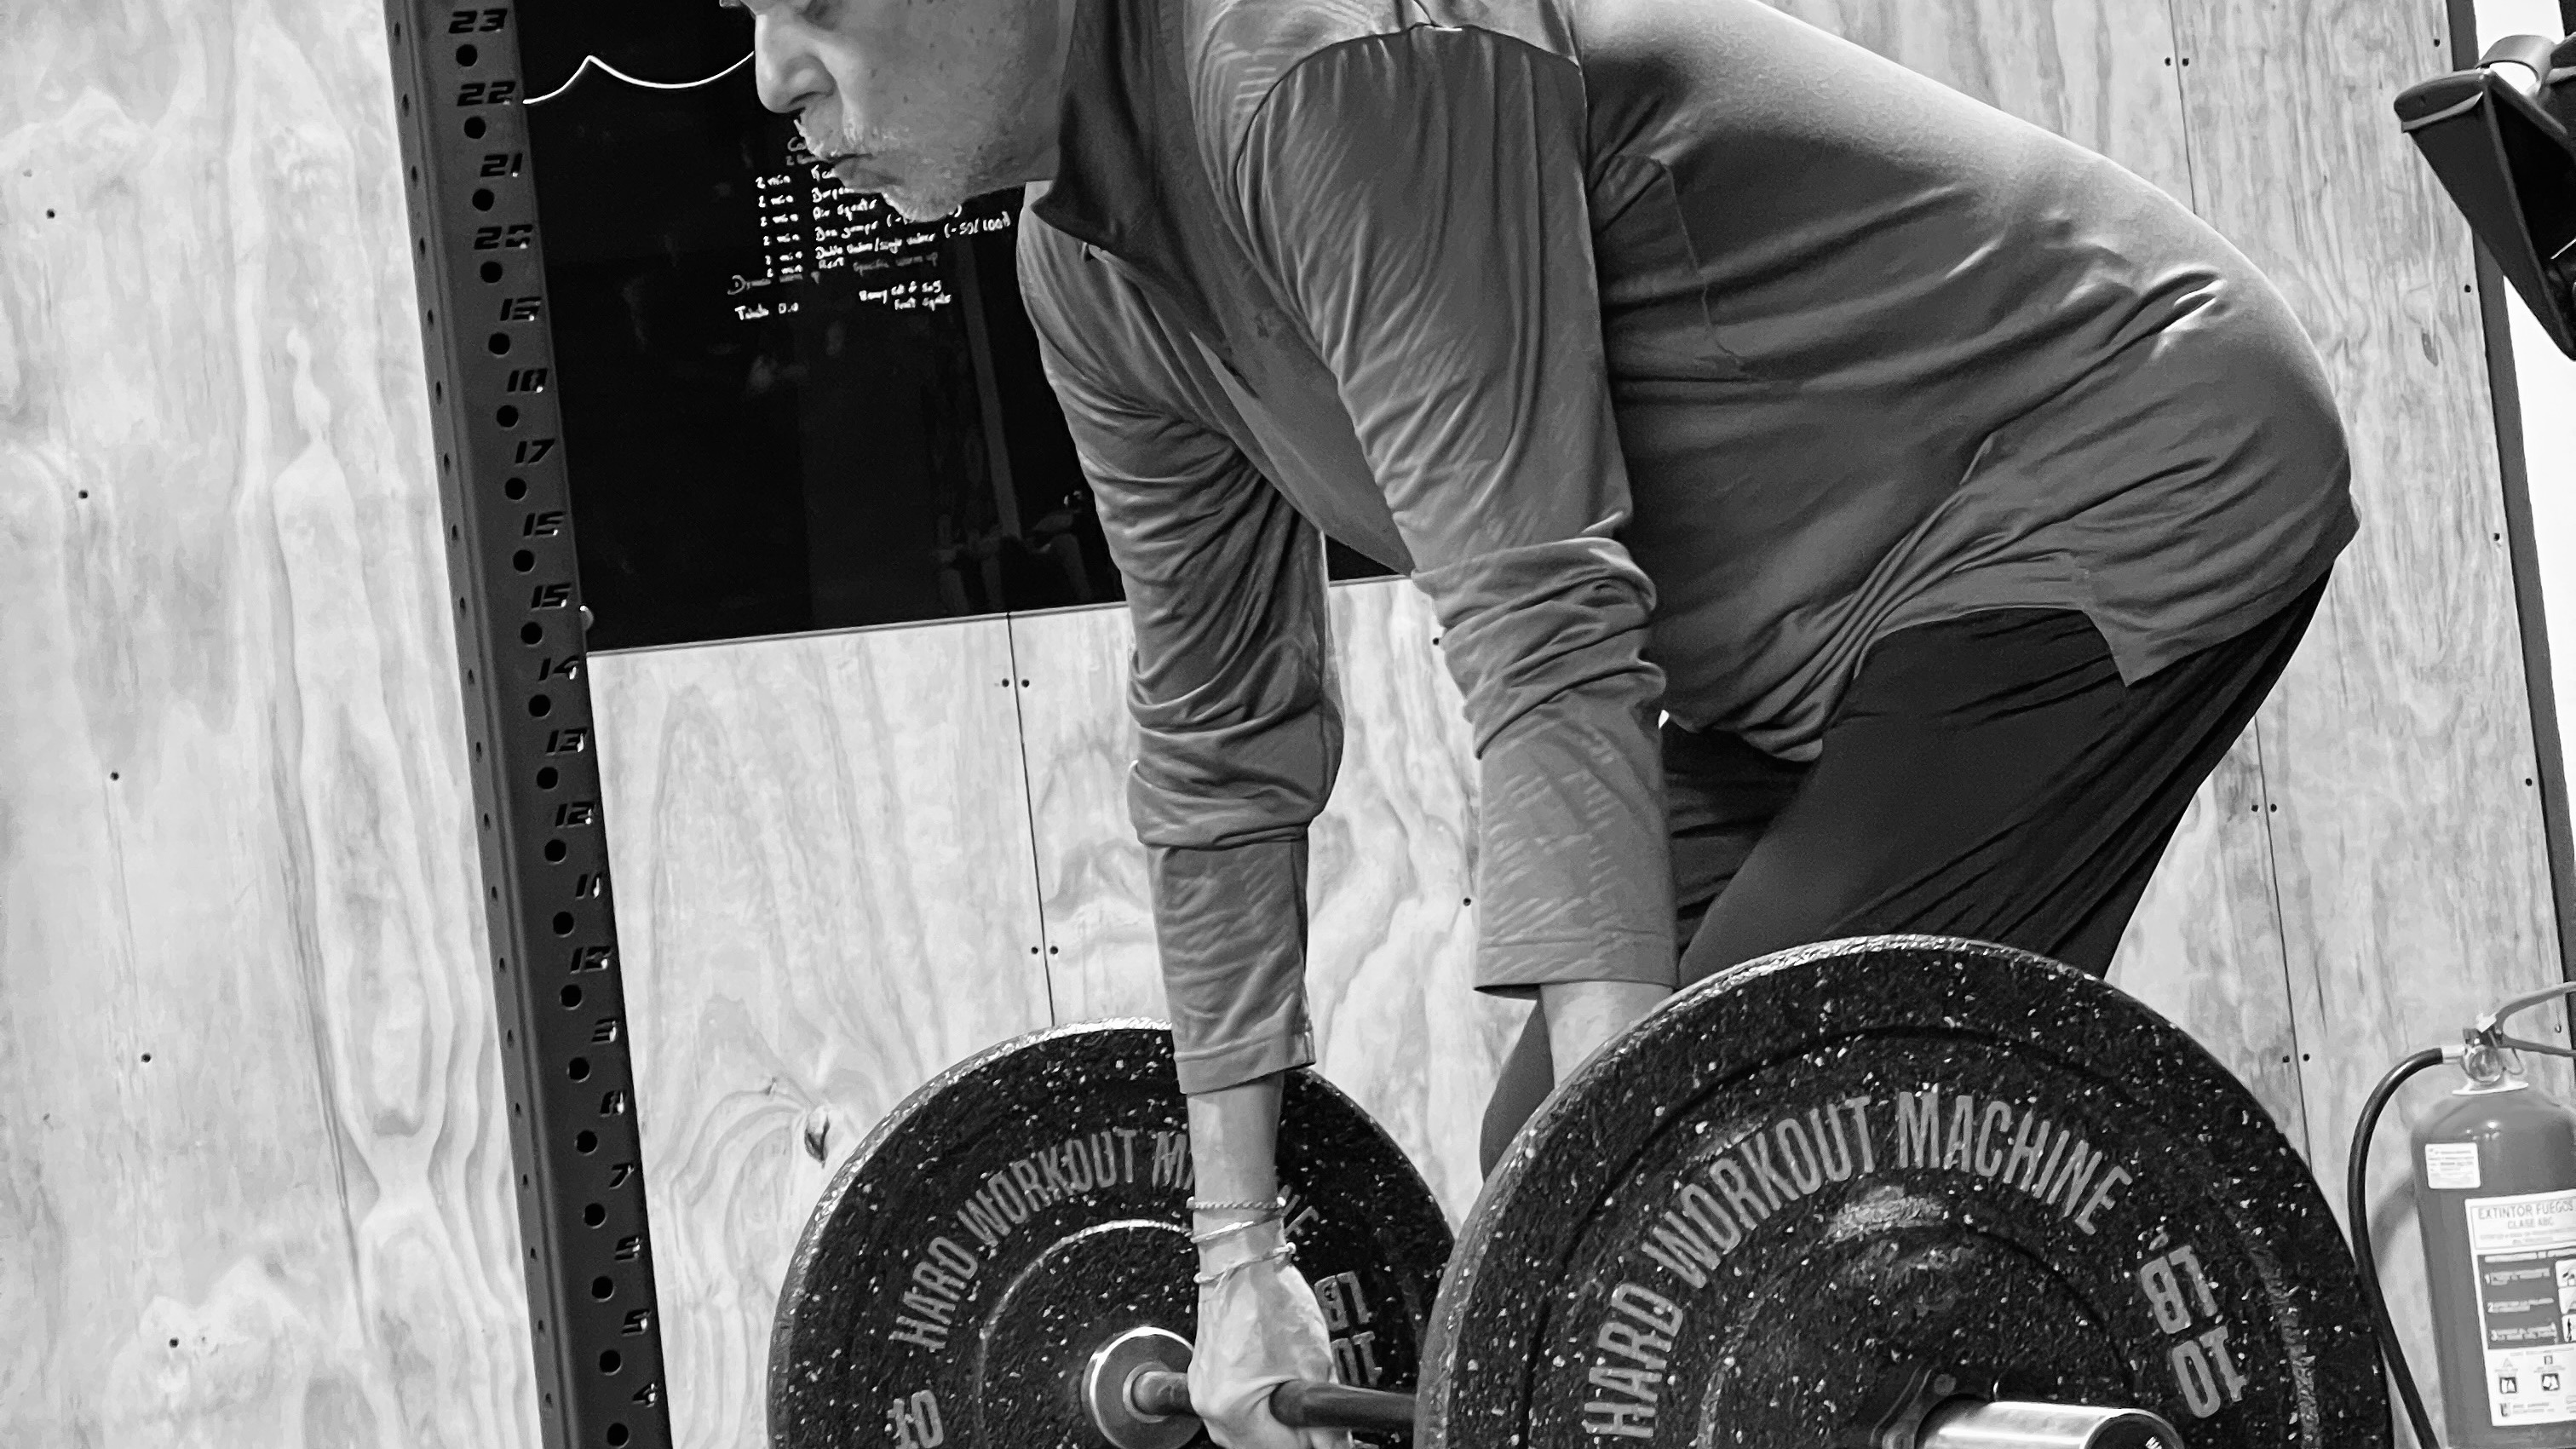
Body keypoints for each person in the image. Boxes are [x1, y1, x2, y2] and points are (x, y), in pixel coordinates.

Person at [743, 1, 2354, 1445]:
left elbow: (1542, 615)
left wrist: (1646, 1234)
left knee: (1720, 1188)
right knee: (1554, 1167)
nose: (772, 79)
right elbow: (1221, 739)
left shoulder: (1317, 61)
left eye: (816, 4)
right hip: (1811, 644)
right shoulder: (1089, 274)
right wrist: (1238, 1255)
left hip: (2106, 471)